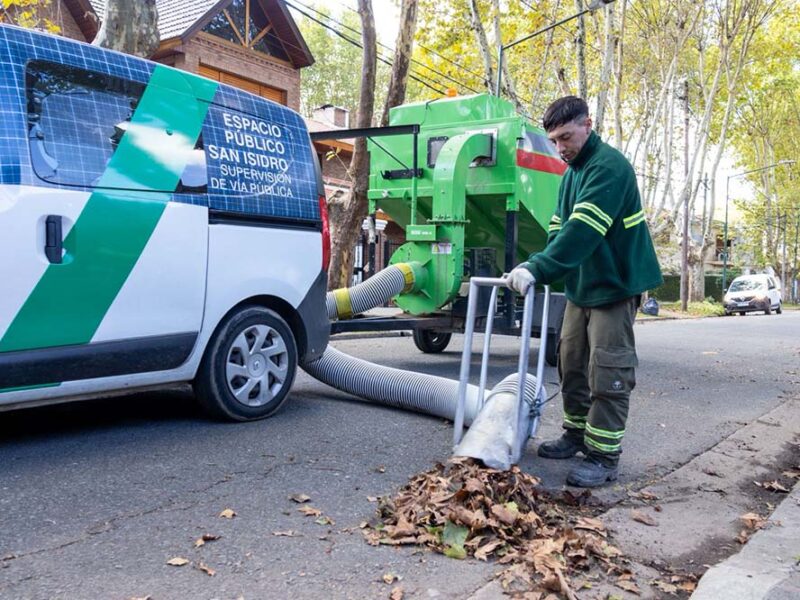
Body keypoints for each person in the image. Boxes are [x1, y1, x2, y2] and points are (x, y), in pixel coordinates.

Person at [506, 96, 663, 487]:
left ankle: (604, 455)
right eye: (554, 141)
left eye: (566, 137)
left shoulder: (609, 167)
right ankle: (576, 434)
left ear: (587, 125)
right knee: (572, 362)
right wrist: (537, 264)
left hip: (614, 287)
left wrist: (537, 268)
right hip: (581, 287)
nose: (560, 148)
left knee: (608, 368)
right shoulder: (571, 174)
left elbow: (583, 231)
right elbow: (558, 229)